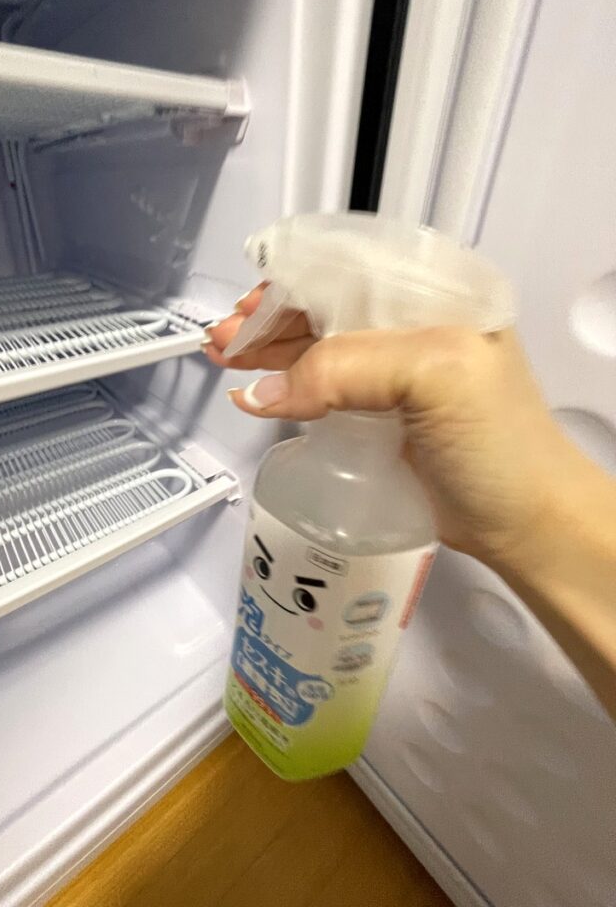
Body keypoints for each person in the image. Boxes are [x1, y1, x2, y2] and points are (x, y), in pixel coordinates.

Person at [203, 283, 616, 723]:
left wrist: (533, 523)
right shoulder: (283, 466)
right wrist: (534, 527)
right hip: (264, 680)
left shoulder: (391, 487)